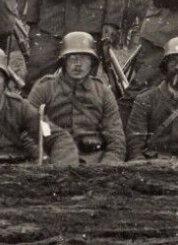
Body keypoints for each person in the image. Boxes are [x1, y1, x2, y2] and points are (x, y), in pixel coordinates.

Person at [26, 32, 127, 164]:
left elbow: (116, 139)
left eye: (84, 58)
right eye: (72, 58)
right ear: (63, 61)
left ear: (92, 62)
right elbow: (26, 129)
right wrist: (43, 159)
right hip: (55, 162)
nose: (78, 64)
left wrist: (106, 167)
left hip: (95, 163)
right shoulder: (44, 88)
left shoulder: (103, 92)